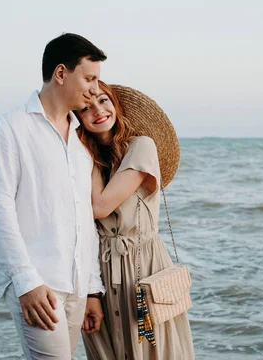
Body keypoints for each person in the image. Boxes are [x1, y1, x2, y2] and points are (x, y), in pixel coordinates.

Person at [0, 33, 108, 359]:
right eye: (89, 78)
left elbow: (83, 220)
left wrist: (91, 289)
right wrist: (27, 282)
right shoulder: (10, 127)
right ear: (61, 73)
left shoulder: (80, 143)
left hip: (76, 287)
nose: (96, 88)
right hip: (39, 283)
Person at [77, 81, 195, 359]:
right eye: (85, 108)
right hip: (99, 270)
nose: (98, 110)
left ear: (116, 105)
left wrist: (84, 151)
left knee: (155, 352)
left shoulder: (142, 146)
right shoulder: (82, 158)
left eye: (104, 100)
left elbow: (100, 207)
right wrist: (90, 292)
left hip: (144, 265)